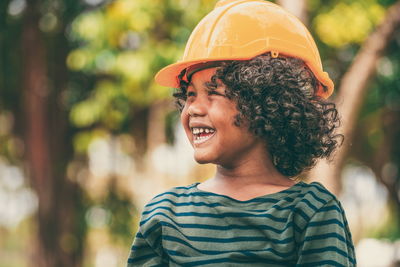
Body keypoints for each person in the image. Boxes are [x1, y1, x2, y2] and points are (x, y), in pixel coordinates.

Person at [126, 0, 356, 266]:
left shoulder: (312, 212)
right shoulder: (164, 214)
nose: (194, 109)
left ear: (267, 101)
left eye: (213, 92)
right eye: (190, 96)